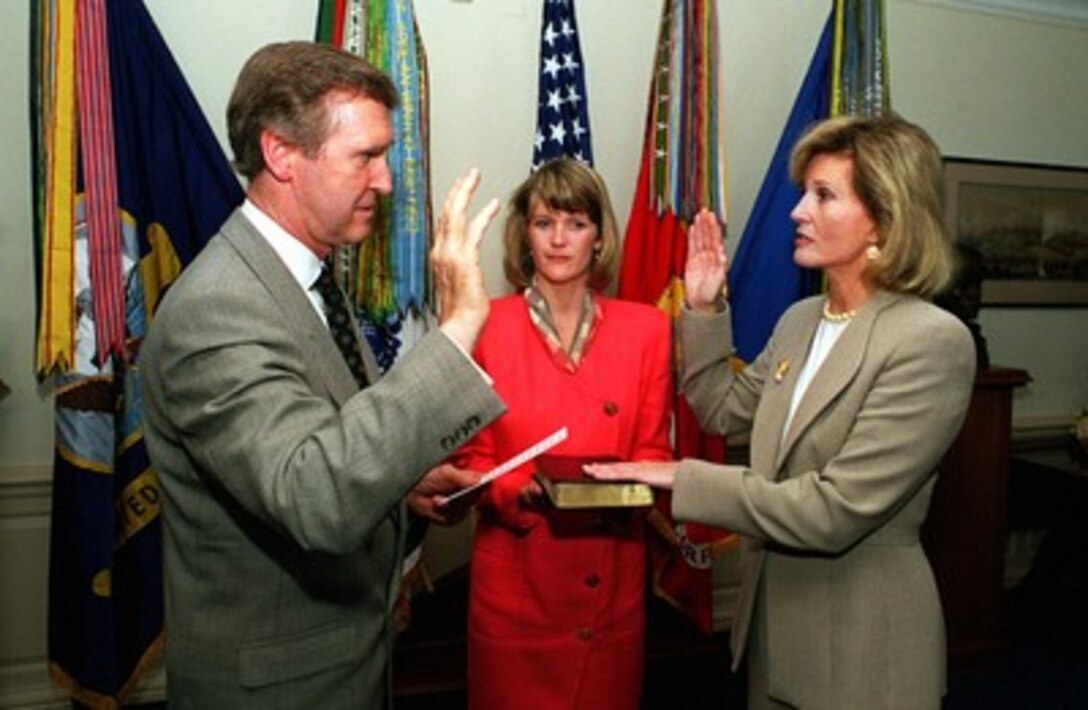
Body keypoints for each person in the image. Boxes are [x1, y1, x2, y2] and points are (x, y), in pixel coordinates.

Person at [140, 41, 506, 708]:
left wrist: (403, 484)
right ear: (281, 154)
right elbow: (315, 498)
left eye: (385, 156)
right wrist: (457, 328)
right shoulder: (218, 308)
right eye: (365, 156)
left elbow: (315, 444)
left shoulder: (311, 279)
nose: (387, 180)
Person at [587, 115, 977, 709]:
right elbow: (721, 408)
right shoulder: (802, 320)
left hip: (862, 644)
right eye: (803, 193)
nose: (797, 211)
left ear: (884, 218)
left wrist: (680, 477)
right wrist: (702, 306)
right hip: (775, 631)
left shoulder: (931, 340)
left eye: (823, 195)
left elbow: (832, 510)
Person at [453, 158, 673, 709]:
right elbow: (469, 460)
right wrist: (518, 490)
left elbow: (653, 450)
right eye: (543, 222)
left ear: (599, 238)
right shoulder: (482, 326)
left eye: (575, 223)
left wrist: (623, 486)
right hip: (517, 599)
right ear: (524, 234)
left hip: (609, 600)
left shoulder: (647, 329)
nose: (558, 239)